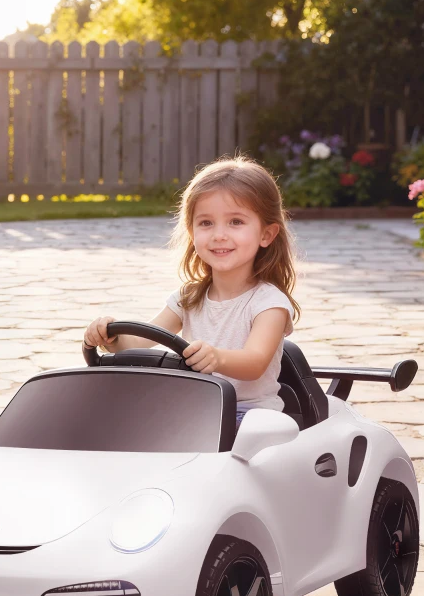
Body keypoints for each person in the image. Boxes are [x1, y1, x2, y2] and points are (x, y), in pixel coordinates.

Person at [84, 155, 300, 432]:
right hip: (198, 407)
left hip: (249, 414)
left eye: (236, 222)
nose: (219, 235)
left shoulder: (269, 303)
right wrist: (110, 338)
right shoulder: (189, 297)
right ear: (192, 231)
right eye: (206, 223)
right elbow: (138, 341)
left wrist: (218, 358)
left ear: (266, 235)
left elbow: (255, 362)